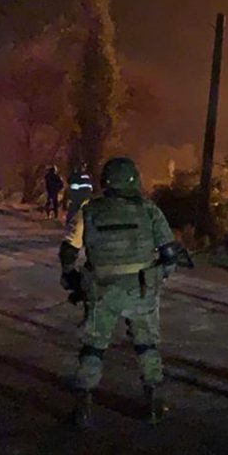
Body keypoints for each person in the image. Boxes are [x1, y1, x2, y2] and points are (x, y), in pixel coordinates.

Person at [59, 157, 177, 428]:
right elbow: (169, 253)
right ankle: (154, 405)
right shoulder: (149, 210)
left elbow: (68, 250)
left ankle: (83, 408)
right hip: (141, 290)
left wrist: (71, 278)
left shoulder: (89, 210)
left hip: (101, 290)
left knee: (93, 347)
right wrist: (160, 276)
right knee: (146, 346)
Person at [65, 164, 94, 228]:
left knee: (73, 209)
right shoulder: (87, 176)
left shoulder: (76, 176)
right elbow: (90, 187)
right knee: (86, 210)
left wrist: (71, 197)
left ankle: (69, 222)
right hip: (87, 196)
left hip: (78, 196)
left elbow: (73, 186)